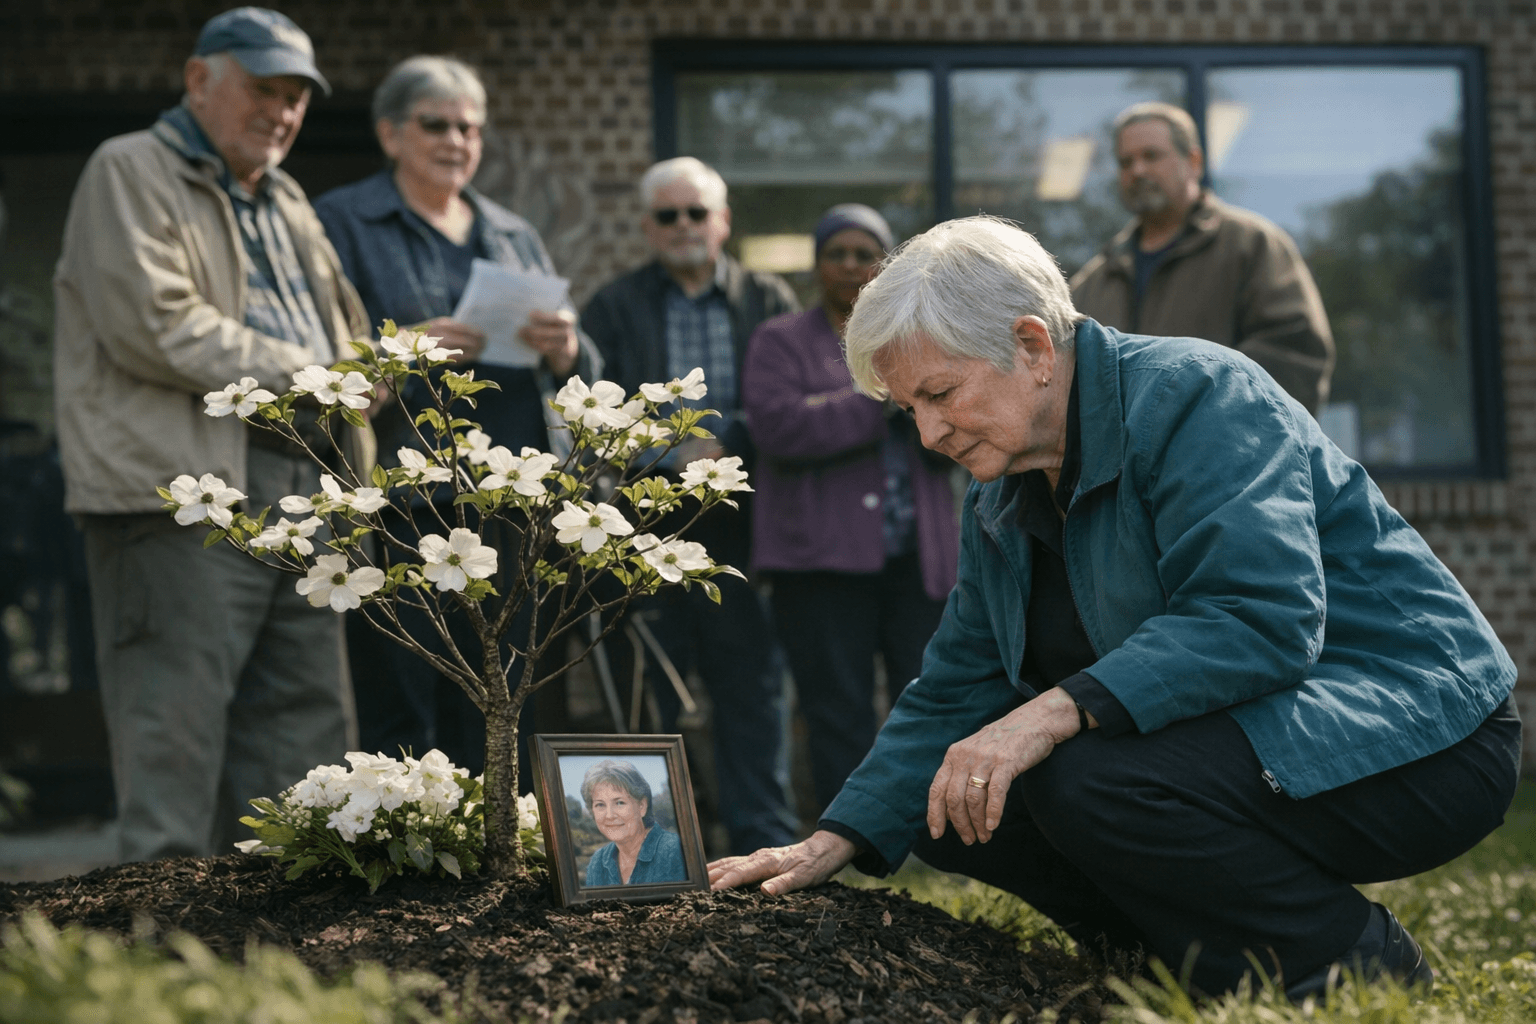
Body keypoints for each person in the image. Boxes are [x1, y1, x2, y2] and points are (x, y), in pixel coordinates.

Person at [709, 217, 1520, 1002]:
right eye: (908, 410)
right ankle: (1160, 957)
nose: (927, 434)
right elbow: (960, 681)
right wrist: (839, 835)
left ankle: (1344, 963)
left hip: (1420, 731)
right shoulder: (1000, 490)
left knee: (1080, 777)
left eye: (940, 394)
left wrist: (1052, 713)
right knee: (946, 800)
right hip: (1260, 736)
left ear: (1031, 346)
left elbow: (1258, 618)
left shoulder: (1200, 395)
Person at [52, 7, 369, 861]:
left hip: (304, 498)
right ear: (199, 80)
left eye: (297, 98)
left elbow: (333, 334)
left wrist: (377, 364)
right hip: (181, 500)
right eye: (263, 89)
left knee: (304, 763)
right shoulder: (129, 168)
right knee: (174, 752)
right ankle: (166, 984)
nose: (282, 112)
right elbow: (156, 324)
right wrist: (318, 374)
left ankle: (289, 983)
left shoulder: (289, 199)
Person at [313, 56, 600, 778]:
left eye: (468, 127)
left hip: (511, 501)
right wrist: (412, 348)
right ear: (389, 133)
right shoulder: (342, 222)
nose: (455, 140)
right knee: (408, 698)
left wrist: (567, 347)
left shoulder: (511, 233)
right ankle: (413, 864)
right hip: (407, 504)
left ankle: (500, 856)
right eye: (434, 124)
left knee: (507, 695)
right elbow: (320, 361)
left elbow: (579, 375)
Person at [581, 157, 799, 854]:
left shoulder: (769, 300)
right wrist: (670, 454)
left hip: (745, 530)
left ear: (723, 221)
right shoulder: (612, 308)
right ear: (647, 226)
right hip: (646, 529)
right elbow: (591, 415)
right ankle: (655, 858)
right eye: (668, 215)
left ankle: (764, 847)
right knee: (648, 695)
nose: (684, 227)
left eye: (696, 213)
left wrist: (727, 441)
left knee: (751, 694)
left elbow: (786, 403)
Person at [742, 204, 958, 814]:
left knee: (925, 698)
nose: (850, 265)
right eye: (835, 253)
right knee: (836, 707)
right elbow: (779, 427)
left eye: (865, 254)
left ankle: (929, 836)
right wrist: (877, 398)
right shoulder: (780, 339)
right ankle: (852, 837)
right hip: (819, 565)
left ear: (885, 266)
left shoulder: (917, 340)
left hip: (918, 559)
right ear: (816, 266)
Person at [1070, 102, 1334, 414]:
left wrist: (1200, 422)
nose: (1137, 170)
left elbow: (1296, 357)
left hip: (1228, 460)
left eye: (1151, 156)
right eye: (1126, 162)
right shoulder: (1096, 280)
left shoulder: (1251, 245)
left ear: (1193, 162)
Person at [580, 759, 687, 886]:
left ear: (642, 806)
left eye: (619, 802)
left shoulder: (675, 850)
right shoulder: (597, 861)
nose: (609, 815)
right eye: (600, 804)